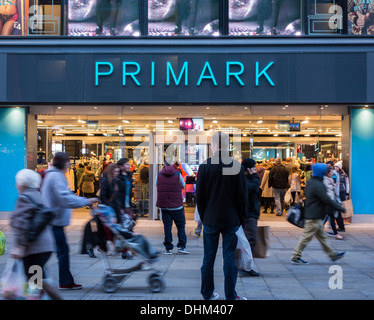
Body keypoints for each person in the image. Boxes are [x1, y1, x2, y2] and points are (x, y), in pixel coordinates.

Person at [196, 132, 247, 300]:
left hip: (210, 218)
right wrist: (241, 219)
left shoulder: (204, 166)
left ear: (214, 146)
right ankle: (231, 296)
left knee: (208, 259)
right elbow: (242, 196)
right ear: (227, 145)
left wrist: (204, 217)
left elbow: (200, 197)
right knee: (229, 259)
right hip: (231, 218)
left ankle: (207, 294)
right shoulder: (236, 166)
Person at [41, 152, 99, 290]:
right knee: (46, 255)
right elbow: (65, 198)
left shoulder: (54, 176)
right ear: (63, 163)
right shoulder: (56, 177)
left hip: (52, 222)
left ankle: (61, 281)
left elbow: (65, 197)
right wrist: (86, 200)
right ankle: (38, 285)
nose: (69, 165)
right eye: (68, 162)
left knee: (54, 253)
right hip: (52, 223)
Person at [10, 169, 62, 300]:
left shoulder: (24, 198)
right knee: (39, 279)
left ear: (22, 184)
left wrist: (20, 247)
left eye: (17, 183)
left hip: (33, 249)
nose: (16, 185)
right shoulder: (38, 195)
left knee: (36, 281)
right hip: (45, 247)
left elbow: (21, 225)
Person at [291, 163, 347, 264]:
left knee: (322, 237)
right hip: (314, 215)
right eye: (324, 171)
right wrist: (340, 208)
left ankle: (332, 254)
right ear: (321, 172)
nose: (327, 172)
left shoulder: (313, 182)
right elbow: (327, 200)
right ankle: (295, 256)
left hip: (314, 214)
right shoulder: (317, 184)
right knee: (306, 237)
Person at [156, 157, 189, 255]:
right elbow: (183, 186)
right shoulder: (178, 174)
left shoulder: (158, 175)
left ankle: (168, 248)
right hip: (177, 206)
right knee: (181, 227)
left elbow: (157, 185)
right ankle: (182, 246)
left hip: (164, 206)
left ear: (164, 164)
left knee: (167, 227)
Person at [239, 158, 261, 277]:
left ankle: (244, 265)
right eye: (253, 167)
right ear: (248, 169)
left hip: (250, 212)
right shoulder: (245, 178)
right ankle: (245, 266)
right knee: (250, 239)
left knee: (246, 240)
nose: (255, 169)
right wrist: (255, 176)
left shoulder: (246, 177)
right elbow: (252, 188)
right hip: (248, 213)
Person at [323, 166, 344, 240]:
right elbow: (325, 191)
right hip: (328, 202)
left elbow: (334, 191)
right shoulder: (324, 180)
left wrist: (334, 185)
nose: (332, 173)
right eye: (331, 172)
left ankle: (318, 231)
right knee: (331, 216)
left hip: (331, 201)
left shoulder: (330, 180)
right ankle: (336, 233)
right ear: (327, 173)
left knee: (327, 217)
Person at [334, 161, 349, 232]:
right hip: (336, 193)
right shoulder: (334, 174)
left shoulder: (344, 174)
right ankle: (340, 225)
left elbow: (347, 184)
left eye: (336, 167)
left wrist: (347, 193)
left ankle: (341, 225)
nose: (335, 168)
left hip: (342, 193)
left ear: (339, 167)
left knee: (339, 209)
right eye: (335, 166)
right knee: (337, 210)